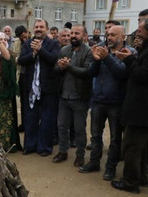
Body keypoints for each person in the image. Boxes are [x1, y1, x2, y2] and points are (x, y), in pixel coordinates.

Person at [79, 26, 135, 178]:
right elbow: (91, 73)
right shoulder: (102, 50)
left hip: (116, 103)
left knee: (115, 138)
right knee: (95, 135)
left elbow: (122, 73)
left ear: (122, 37)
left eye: (113, 35)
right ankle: (94, 162)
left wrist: (106, 58)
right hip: (98, 100)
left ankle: (110, 167)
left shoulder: (129, 53)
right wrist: (97, 61)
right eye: (108, 34)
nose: (109, 37)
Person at [111, 18, 148, 194]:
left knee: (131, 147)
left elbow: (142, 75)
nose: (137, 33)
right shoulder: (144, 50)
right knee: (140, 147)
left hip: (140, 110)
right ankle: (141, 177)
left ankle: (130, 182)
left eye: (140, 30)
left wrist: (128, 60)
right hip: (139, 108)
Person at [18, 19, 61, 156]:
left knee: (47, 119)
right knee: (30, 119)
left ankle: (44, 148)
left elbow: (54, 59)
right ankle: (30, 146)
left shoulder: (53, 44)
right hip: (31, 88)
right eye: (36, 27)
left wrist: (40, 50)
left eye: (42, 27)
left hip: (48, 88)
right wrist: (33, 54)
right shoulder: (27, 43)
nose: (38, 29)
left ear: (46, 29)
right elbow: (21, 60)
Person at [53, 24, 93, 167]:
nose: (73, 36)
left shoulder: (88, 52)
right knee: (62, 126)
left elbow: (87, 72)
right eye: (72, 33)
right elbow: (56, 69)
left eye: (77, 33)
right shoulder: (64, 50)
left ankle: (80, 155)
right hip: (64, 96)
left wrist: (68, 66)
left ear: (84, 36)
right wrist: (61, 66)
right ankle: (63, 152)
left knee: (79, 129)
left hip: (80, 97)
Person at [12, 25, 29, 132]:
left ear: (26, 32)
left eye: (22, 35)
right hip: (21, 75)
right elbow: (15, 57)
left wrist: (21, 59)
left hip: (32, 76)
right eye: (19, 36)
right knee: (23, 102)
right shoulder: (17, 43)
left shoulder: (33, 40)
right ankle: (23, 123)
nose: (21, 37)